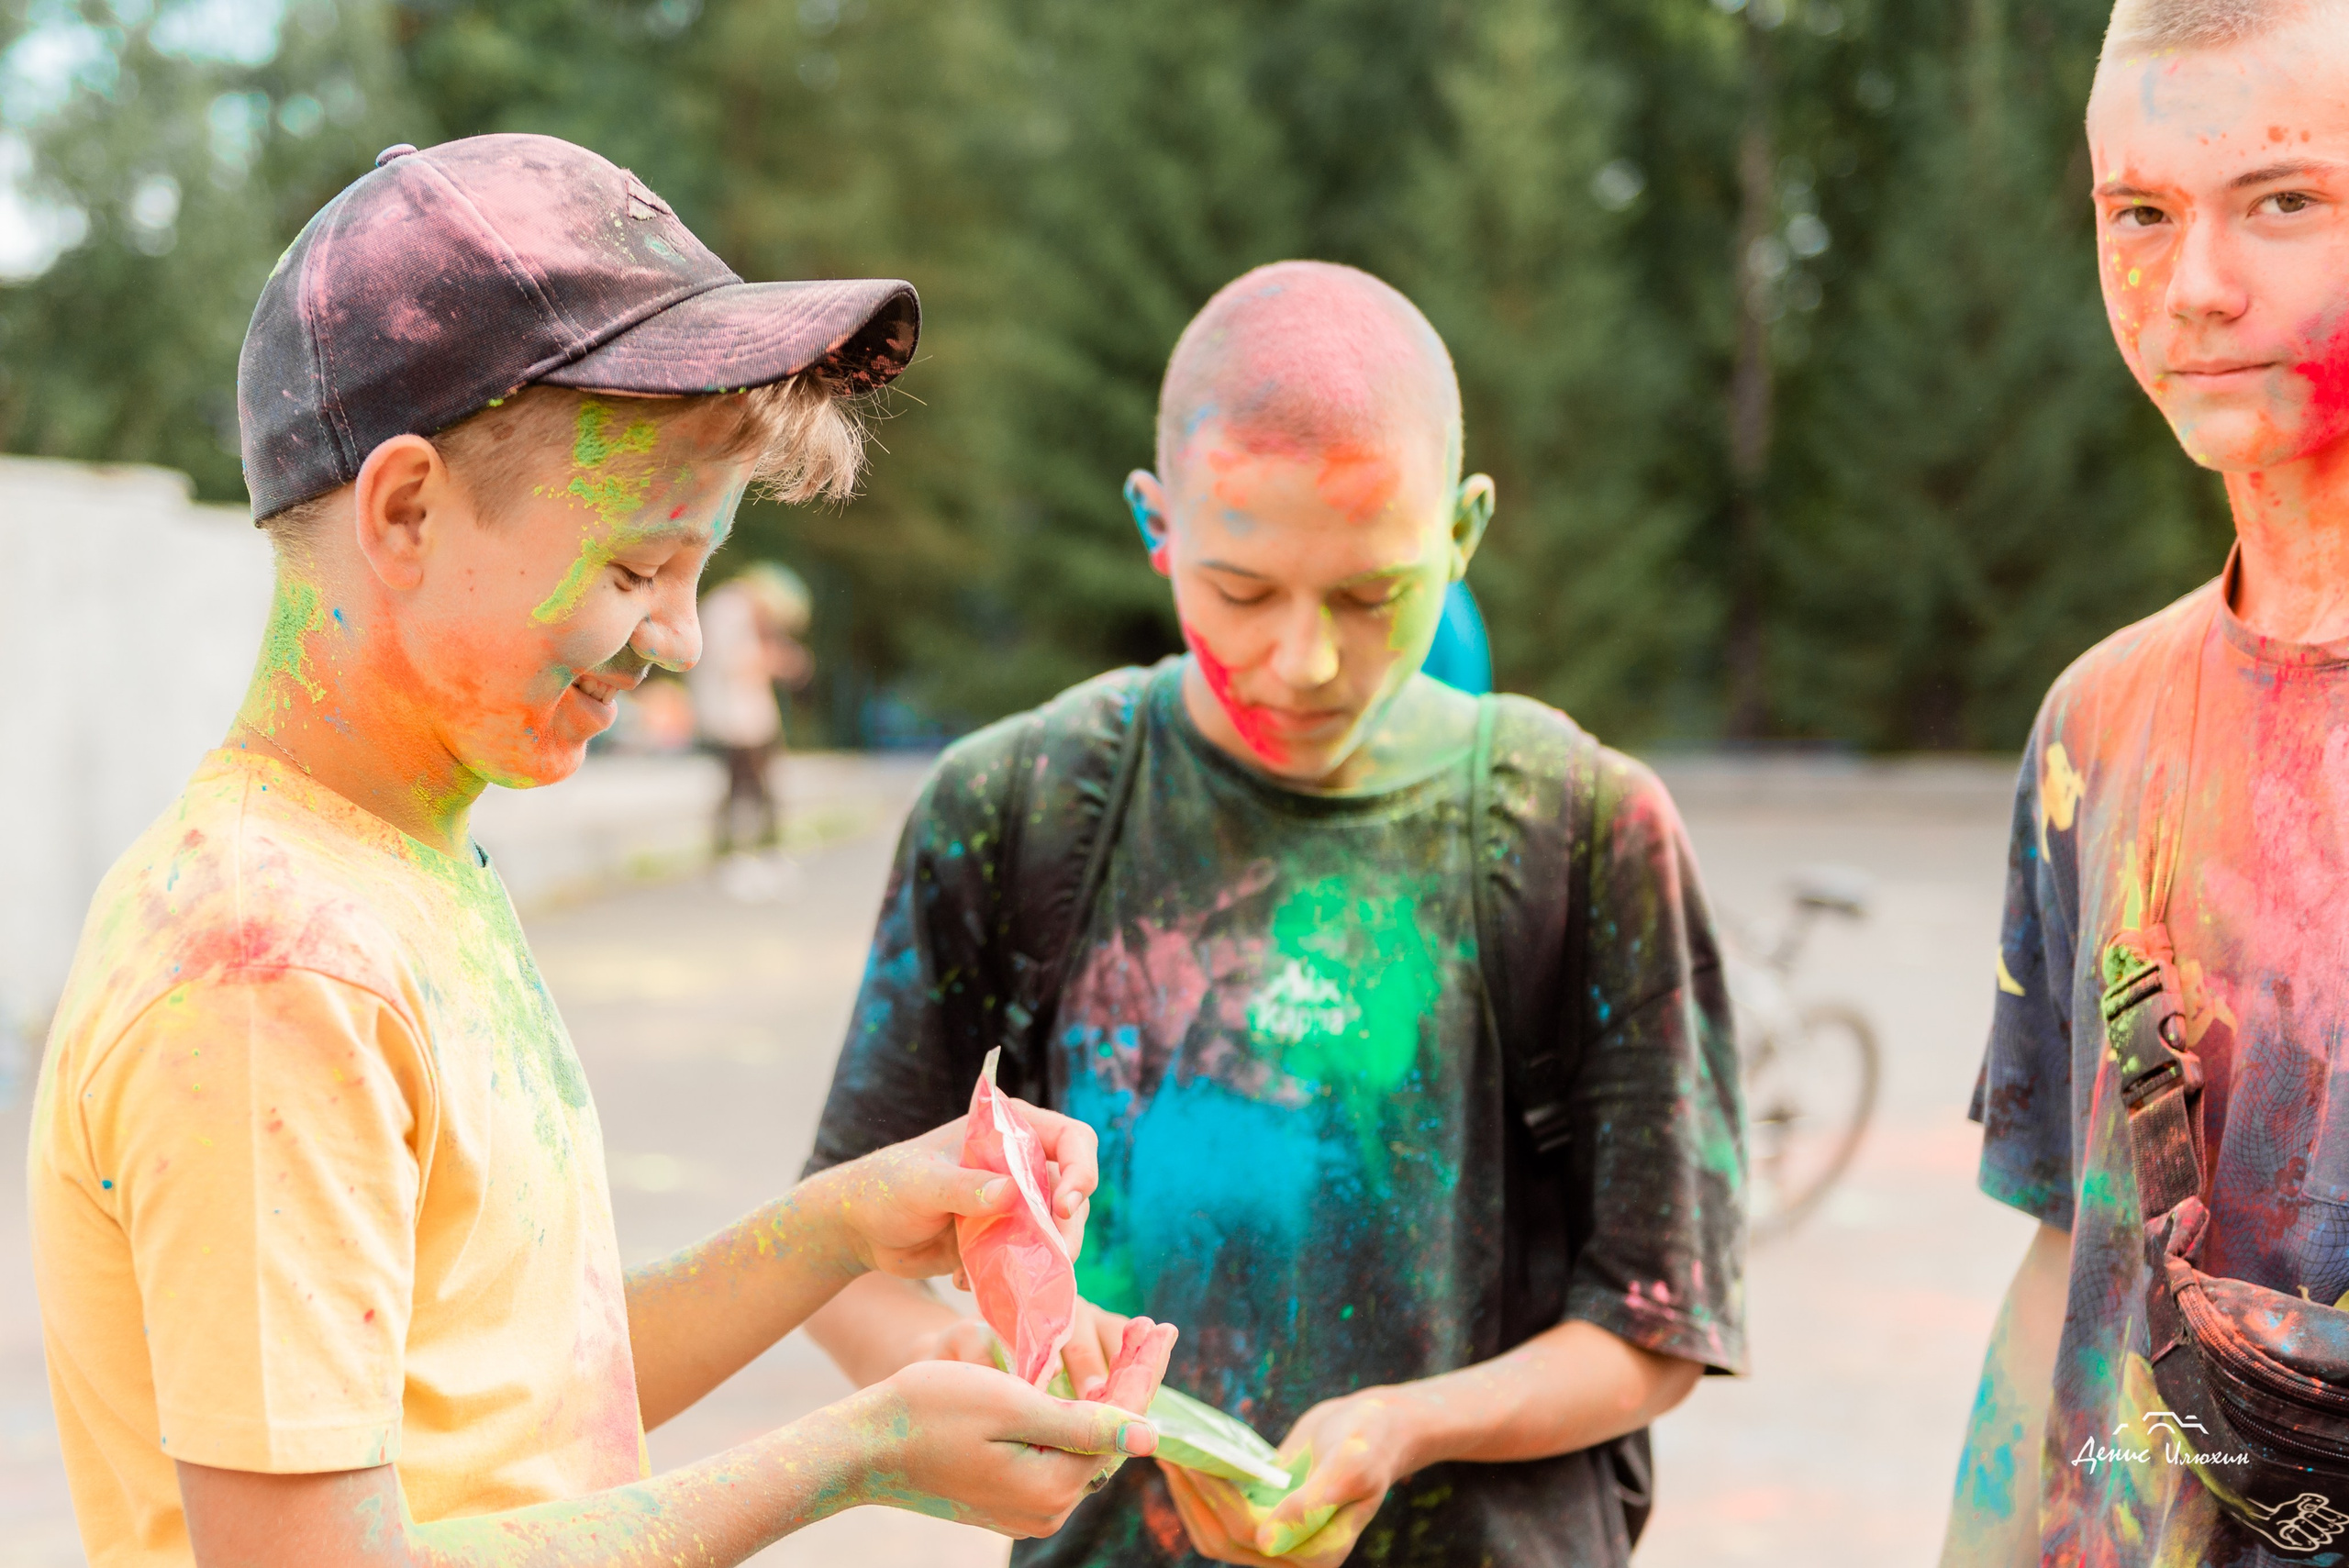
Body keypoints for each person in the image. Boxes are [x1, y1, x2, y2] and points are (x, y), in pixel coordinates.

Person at [26, 133, 1174, 1568]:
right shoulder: (273, 969)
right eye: (636, 568)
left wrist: (835, 1227)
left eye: (696, 572)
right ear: (404, 510)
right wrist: (852, 1454)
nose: (681, 639)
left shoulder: (407, 869)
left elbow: (508, 1394)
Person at [802, 261, 1745, 1568]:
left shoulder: (1583, 826)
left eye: (1373, 596)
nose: (1301, 662)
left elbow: (1658, 1319)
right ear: (1157, 528)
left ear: (1463, 534)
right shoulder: (1015, 805)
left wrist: (1408, 1427)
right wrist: (1003, 1369)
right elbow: (840, 1254)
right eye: (1240, 591)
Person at [1944, 4, 2349, 1563]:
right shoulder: (2099, 721)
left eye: (2286, 200)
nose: (2197, 286)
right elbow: (2066, 1254)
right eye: (2141, 211)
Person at [693, 561, 815, 862]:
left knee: (757, 785)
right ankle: (735, 853)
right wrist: (778, 661)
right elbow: (731, 662)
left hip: (749, 718)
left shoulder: (743, 613)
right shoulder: (727, 609)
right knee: (741, 786)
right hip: (731, 717)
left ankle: (755, 849)